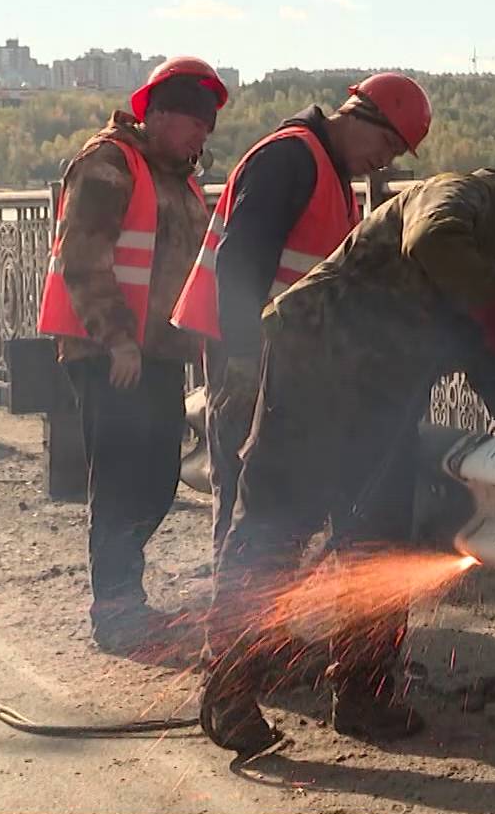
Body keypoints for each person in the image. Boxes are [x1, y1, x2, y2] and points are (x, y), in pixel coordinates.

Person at [200, 168, 495, 757]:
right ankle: (229, 687)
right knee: (277, 529)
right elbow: (429, 241)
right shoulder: (468, 198)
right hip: (313, 362)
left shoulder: (488, 280)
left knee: (381, 543)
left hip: (379, 400)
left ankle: (363, 695)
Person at [172, 72, 433, 556]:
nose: (384, 162)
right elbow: (240, 264)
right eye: (388, 144)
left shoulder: (330, 176)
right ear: (359, 116)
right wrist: (245, 365)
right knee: (245, 494)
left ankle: (256, 623)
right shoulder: (290, 158)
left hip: (282, 363)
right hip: (247, 355)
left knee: (271, 503)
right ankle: (233, 625)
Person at [36, 55, 228, 654]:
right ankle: (117, 613)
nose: (203, 134)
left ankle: (126, 601)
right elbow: (83, 257)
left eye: (208, 125)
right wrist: (117, 338)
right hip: (109, 353)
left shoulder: (176, 176)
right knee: (124, 483)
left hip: (156, 353)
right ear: (161, 114)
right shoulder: (110, 163)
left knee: (156, 480)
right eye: (195, 121)